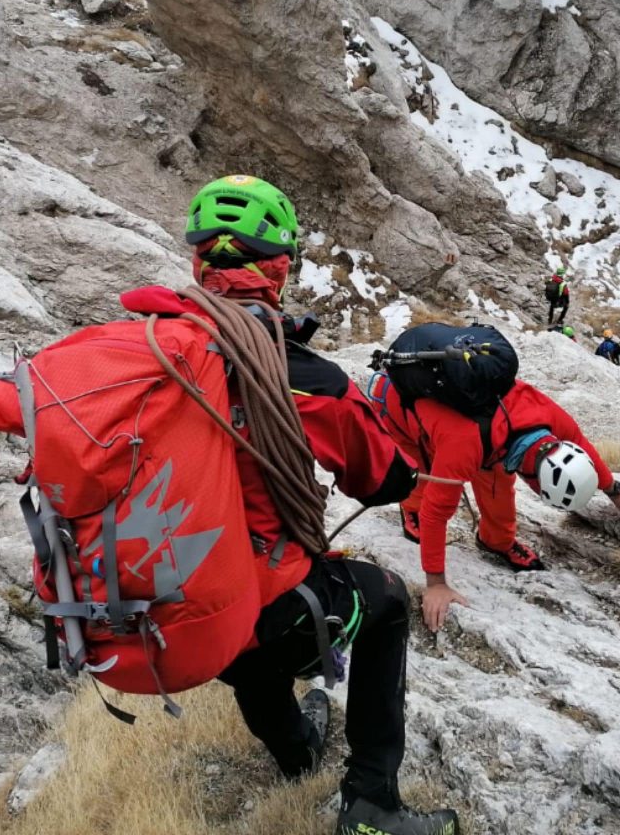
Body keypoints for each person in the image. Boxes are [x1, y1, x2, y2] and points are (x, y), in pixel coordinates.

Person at [155, 176, 457, 835]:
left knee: (249, 633)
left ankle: (295, 752)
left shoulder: (144, 353)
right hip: (255, 606)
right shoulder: (307, 380)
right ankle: (372, 802)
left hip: (161, 600)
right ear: (281, 270)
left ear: (196, 265)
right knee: (386, 605)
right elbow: (378, 479)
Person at [367, 373, 620, 632]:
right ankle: (409, 508)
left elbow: (578, 441)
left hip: (484, 433)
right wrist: (436, 584)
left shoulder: (546, 417)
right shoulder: (463, 446)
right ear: (534, 481)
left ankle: (496, 541)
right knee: (423, 477)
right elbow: (436, 514)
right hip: (398, 406)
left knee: (498, 480)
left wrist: (615, 492)